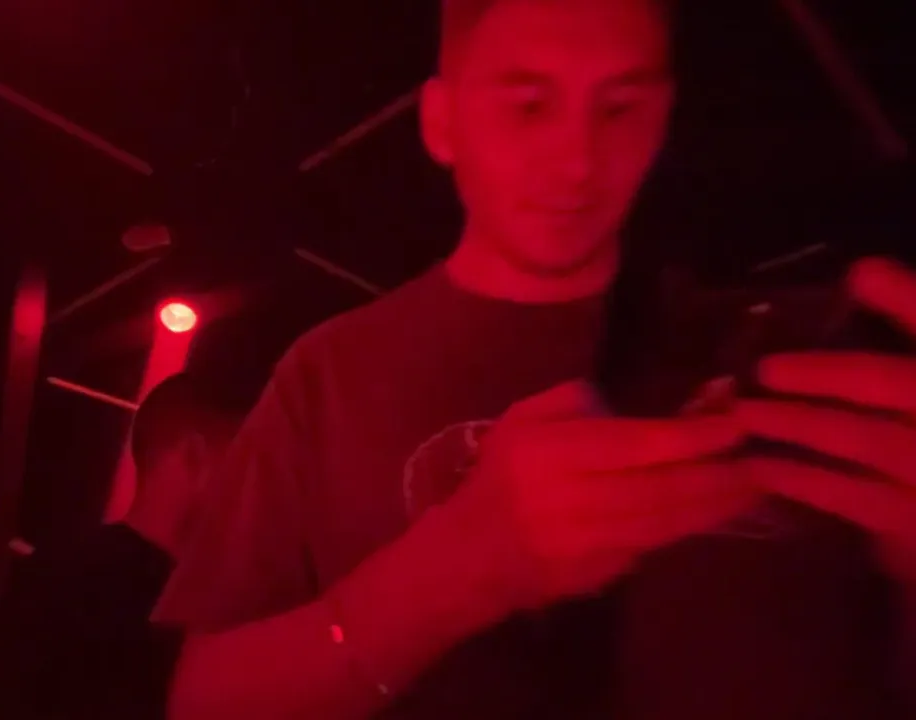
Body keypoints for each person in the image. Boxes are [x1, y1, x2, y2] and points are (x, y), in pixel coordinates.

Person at [152, 0, 915, 718]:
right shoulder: (327, 376)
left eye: (619, 108)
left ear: (663, 118)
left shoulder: (796, 349)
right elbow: (203, 703)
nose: (577, 160)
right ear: (442, 123)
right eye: (529, 105)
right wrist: (460, 568)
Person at [0, 371, 240, 719]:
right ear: (194, 456)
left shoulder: (53, 575)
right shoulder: (187, 613)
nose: (259, 486)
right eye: (247, 460)